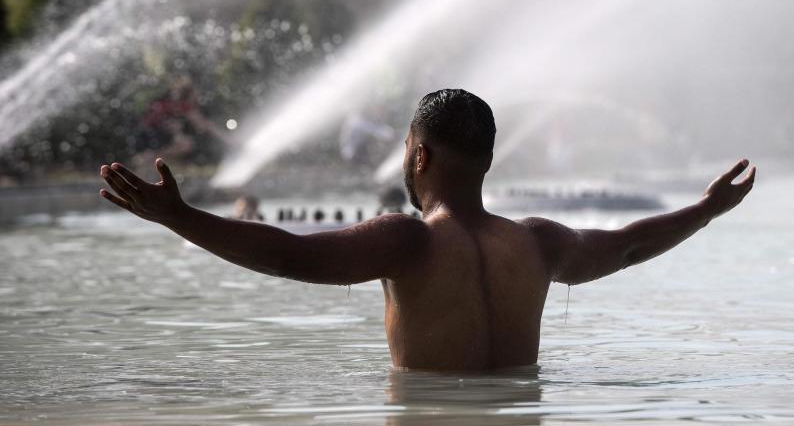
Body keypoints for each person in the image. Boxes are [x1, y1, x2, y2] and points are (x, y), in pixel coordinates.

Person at [98, 89, 756, 372]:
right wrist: (703, 209)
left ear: (419, 157)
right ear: (489, 160)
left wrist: (180, 217)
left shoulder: (406, 241)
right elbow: (630, 243)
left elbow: (289, 256)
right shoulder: (538, 242)